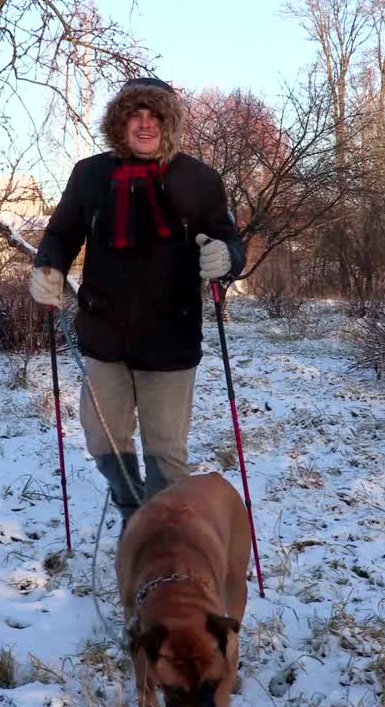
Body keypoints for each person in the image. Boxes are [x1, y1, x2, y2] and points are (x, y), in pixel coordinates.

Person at [29, 76, 245, 528]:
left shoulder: (199, 179)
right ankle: (134, 514)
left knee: (166, 452)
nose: (145, 125)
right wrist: (47, 268)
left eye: (156, 116)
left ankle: (162, 539)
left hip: (171, 342)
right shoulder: (91, 175)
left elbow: (229, 240)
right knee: (104, 442)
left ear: (169, 125)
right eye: (135, 115)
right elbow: (62, 232)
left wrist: (225, 257)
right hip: (103, 336)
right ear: (119, 123)